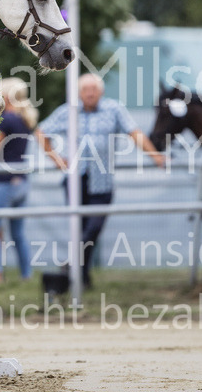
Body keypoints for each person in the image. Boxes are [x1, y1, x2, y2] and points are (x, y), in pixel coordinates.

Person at [38, 73, 165, 288]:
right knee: (78, 228)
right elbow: (41, 132)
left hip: (102, 180)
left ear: (101, 91)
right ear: (79, 92)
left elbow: (134, 133)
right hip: (76, 180)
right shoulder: (69, 111)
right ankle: (82, 278)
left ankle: (72, 266)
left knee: (93, 228)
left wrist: (155, 156)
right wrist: (57, 160)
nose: (90, 93)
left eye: (93, 89)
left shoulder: (113, 109)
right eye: (85, 89)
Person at [0, 78, 65, 283]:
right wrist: (60, 161)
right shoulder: (26, 119)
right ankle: (26, 274)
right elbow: (41, 144)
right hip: (23, 182)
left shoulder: (6, 120)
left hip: (6, 182)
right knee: (17, 232)